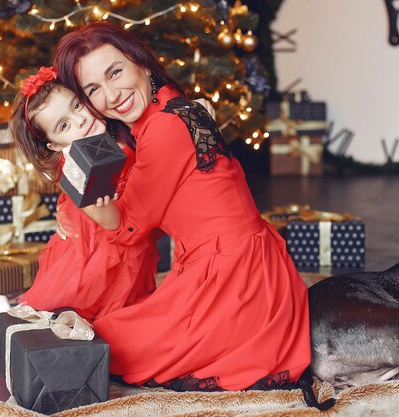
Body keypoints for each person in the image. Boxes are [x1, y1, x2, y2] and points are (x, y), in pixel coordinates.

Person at [53, 22, 311, 392]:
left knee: (105, 340)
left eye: (115, 72)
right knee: (113, 327)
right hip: (249, 263)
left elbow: (129, 228)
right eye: (94, 89)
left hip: (235, 279)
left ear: (141, 63)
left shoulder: (162, 129)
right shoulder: (174, 105)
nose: (111, 95)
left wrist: (81, 191)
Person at [0, 66, 159, 346]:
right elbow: (107, 215)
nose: (80, 121)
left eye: (78, 105)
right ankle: (0, 316)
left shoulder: (118, 131)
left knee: (116, 313)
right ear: (55, 145)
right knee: (63, 307)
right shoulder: (74, 158)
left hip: (124, 238)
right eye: (64, 125)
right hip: (91, 247)